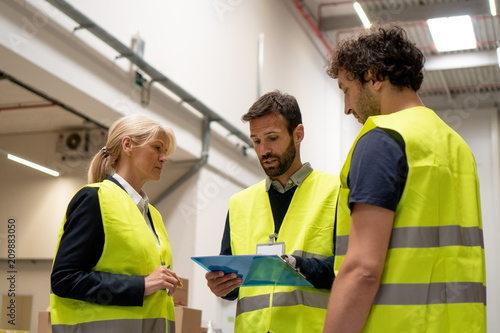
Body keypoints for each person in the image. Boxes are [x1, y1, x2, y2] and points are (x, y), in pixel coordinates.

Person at [323, 26, 486, 333]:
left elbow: (363, 270)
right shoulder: (458, 147)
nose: (346, 108)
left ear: (373, 77)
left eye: (346, 90)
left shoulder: (381, 139)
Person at [205, 90, 340, 333]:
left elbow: (349, 268)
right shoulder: (239, 203)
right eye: (256, 141)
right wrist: (222, 287)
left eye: (272, 138)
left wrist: (297, 265)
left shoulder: (336, 191)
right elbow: (233, 284)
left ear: (298, 134)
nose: (263, 150)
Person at [50, 114, 182, 333]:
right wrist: (140, 286)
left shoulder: (153, 215)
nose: (163, 158)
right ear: (128, 145)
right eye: (157, 148)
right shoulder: (94, 199)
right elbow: (65, 279)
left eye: (165, 152)